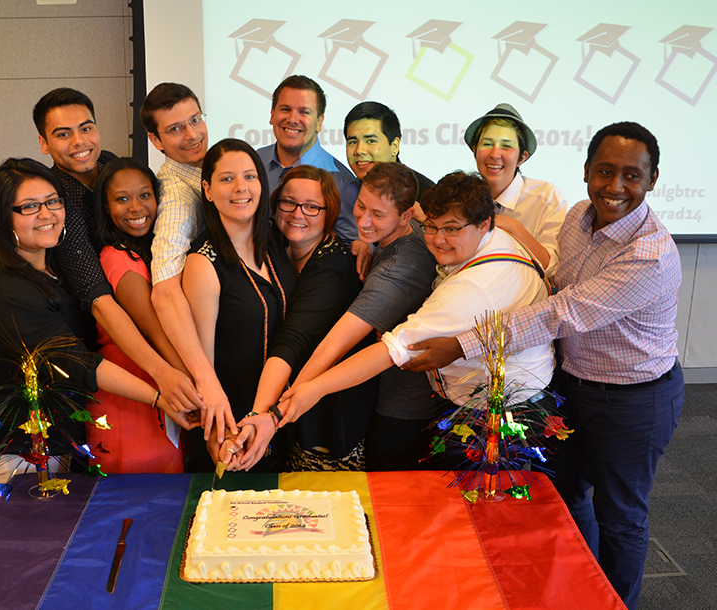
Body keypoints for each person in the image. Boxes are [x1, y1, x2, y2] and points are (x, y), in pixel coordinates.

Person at [403, 122, 683, 610]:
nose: (616, 186)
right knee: (565, 495)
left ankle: (617, 604)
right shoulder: (577, 218)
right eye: (605, 171)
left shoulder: (650, 254)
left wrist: (464, 343)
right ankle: (581, 591)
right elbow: (554, 278)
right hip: (572, 383)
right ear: (586, 171)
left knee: (621, 518)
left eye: (632, 175)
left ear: (652, 179)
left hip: (633, 401)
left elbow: (563, 312)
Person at [277, 171, 553, 462]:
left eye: (452, 229)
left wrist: (310, 390)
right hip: (501, 396)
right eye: (432, 226)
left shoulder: (467, 289)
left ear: (484, 223)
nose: (438, 239)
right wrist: (365, 243)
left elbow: (387, 351)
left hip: (499, 419)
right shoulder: (497, 237)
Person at [0, 158, 191, 473]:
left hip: (60, 412)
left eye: (53, 201)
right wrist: (161, 396)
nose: (46, 214)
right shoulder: (0, 287)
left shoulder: (52, 256)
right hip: (15, 431)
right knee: (38, 505)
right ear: (2, 215)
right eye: (29, 206)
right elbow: (75, 361)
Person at [32, 88, 202, 416]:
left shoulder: (109, 162)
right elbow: (98, 300)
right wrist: (169, 372)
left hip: (148, 314)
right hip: (101, 339)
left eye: (86, 128)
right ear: (44, 143)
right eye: (63, 134)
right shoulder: (58, 202)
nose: (79, 141)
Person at [276, 162, 437, 471]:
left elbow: (337, 342)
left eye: (378, 215)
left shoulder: (398, 269)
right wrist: (366, 244)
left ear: (406, 215)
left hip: (401, 410)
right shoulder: (403, 234)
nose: (363, 220)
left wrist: (289, 398)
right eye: (361, 206)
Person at [225, 166, 376, 472]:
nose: (297, 214)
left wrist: (258, 415)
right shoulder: (276, 247)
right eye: (288, 202)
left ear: (330, 213)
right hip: (286, 401)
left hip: (327, 415)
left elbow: (293, 338)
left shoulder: (334, 268)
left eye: (312, 207)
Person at [182, 139, 297, 471]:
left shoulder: (274, 240)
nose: (240, 188)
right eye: (227, 179)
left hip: (281, 418)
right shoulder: (203, 263)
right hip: (235, 431)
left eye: (249, 176)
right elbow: (203, 366)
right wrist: (219, 436)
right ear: (207, 190)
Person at [89, 157, 199, 472]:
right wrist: (197, 386)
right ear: (106, 207)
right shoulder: (117, 257)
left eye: (145, 195)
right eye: (122, 199)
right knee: (140, 488)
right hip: (131, 392)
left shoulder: (152, 251)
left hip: (160, 385)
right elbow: (156, 333)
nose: (136, 208)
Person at [140, 84, 235, 444]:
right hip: (214, 359)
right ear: (156, 140)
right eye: (176, 128)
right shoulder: (179, 197)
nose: (193, 134)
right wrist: (205, 378)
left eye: (195, 120)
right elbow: (164, 292)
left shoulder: (210, 173)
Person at [464, 103, 567, 278]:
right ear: (475, 151)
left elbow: (551, 268)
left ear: (522, 157)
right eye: (487, 144)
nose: (495, 154)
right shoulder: (463, 197)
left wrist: (513, 227)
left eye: (506, 146)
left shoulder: (546, 198)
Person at [257, 75, 360, 244]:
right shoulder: (253, 163)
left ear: (319, 122)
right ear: (272, 114)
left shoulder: (342, 183)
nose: (292, 119)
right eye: (285, 109)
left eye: (304, 112)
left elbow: (352, 247)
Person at [344, 101, 434, 199]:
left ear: (395, 146)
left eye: (371, 141)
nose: (359, 150)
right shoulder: (345, 191)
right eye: (353, 142)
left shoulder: (425, 195)